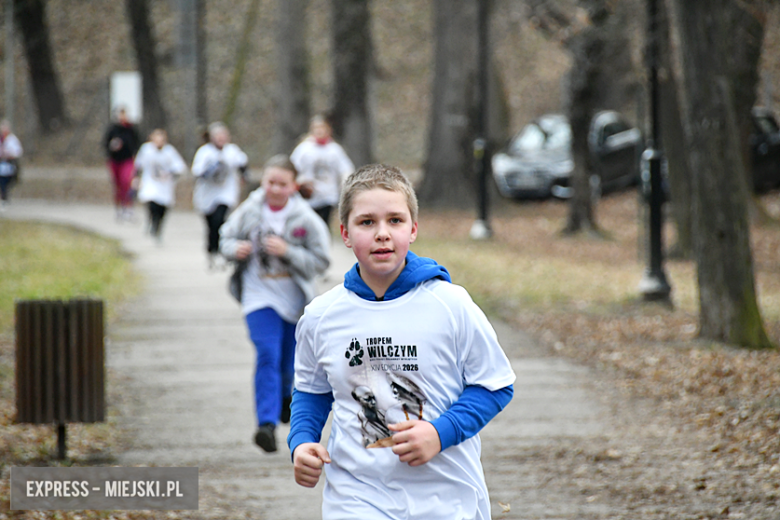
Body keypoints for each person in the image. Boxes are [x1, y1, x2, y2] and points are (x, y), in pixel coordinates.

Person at [288, 164, 516, 519]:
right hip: (355, 496)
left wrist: (440, 433)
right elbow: (311, 390)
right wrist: (302, 441)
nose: (382, 233)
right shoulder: (321, 316)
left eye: (395, 220)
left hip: (446, 498)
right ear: (345, 233)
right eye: (367, 222)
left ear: (413, 229)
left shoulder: (451, 305)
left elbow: (495, 385)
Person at [219, 154, 331, 453]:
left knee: (288, 362)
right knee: (267, 353)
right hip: (257, 296)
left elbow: (321, 261)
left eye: (282, 184)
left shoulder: (306, 219)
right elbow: (224, 238)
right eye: (270, 182)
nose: (275, 189)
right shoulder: (250, 210)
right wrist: (236, 249)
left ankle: (285, 397)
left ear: (293, 186)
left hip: (294, 300)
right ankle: (266, 425)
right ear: (263, 182)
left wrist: (289, 251)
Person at [191, 121, 248, 269]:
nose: (221, 138)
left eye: (224, 135)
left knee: (219, 220)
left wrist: (243, 176)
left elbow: (243, 164)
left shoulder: (232, 151)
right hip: (207, 193)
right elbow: (197, 172)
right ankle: (211, 250)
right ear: (211, 137)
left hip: (225, 191)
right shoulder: (205, 152)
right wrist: (211, 169)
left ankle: (221, 251)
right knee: (211, 224)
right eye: (218, 136)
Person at [290, 115, 354, 229]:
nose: (319, 131)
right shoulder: (304, 149)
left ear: (328, 129)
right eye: (316, 128)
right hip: (309, 195)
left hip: (327, 195)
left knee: (323, 225)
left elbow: (346, 169)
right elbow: (293, 168)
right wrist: (299, 183)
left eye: (322, 127)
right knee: (308, 225)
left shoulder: (335, 150)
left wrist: (344, 186)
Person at [133, 129, 187, 242]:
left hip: (165, 185)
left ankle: (158, 227)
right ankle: (152, 222)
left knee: (162, 208)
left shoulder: (169, 151)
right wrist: (136, 178)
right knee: (152, 203)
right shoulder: (146, 149)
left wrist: (170, 173)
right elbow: (138, 164)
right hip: (151, 182)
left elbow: (180, 167)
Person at [104, 106, 141, 221]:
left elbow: (136, 143)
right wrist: (112, 147)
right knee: (118, 185)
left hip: (127, 159)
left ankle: (128, 206)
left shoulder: (131, 129)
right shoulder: (112, 129)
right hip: (115, 160)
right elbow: (105, 144)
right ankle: (119, 207)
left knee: (126, 182)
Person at [0, 120, 23, 209]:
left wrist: (9, 154)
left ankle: (5, 197)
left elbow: (18, 152)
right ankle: (4, 197)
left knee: (7, 181)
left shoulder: (12, 139)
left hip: (9, 163)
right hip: (1, 163)